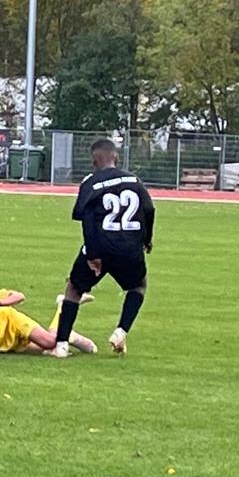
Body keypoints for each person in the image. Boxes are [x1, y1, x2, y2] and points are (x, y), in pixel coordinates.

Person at [52, 138, 155, 357]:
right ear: (115, 156)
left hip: (101, 245)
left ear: (94, 160)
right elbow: (149, 210)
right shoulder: (134, 180)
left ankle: (61, 345)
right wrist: (147, 239)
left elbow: (87, 218)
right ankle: (121, 331)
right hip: (129, 247)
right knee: (138, 286)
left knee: (74, 289)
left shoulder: (91, 182)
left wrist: (92, 254)